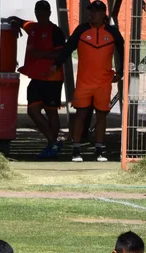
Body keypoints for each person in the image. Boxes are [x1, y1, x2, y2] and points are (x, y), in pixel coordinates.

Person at [51, 0, 123, 162]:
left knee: (102, 116)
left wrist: (121, 72)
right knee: (81, 114)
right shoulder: (82, 30)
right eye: (90, 11)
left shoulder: (112, 32)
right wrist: (56, 64)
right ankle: (76, 150)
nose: (92, 14)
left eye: (95, 12)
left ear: (103, 14)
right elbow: (68, 48)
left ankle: (99, 150)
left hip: (104, 82)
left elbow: (123, 49)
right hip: (84, 82)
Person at [9, 1, 66, 158]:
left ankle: (51, 145)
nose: (40, 14)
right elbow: (15, 19)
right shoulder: (32, 27)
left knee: (51, 112)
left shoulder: (55, 31)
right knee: (32, 110)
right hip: (36, 77)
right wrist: (14, 24)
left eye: (43, 11)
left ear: (49, 13)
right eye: (37, 11)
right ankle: (54, 141)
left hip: (52, 78)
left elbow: (61, 54)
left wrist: (41, 54)